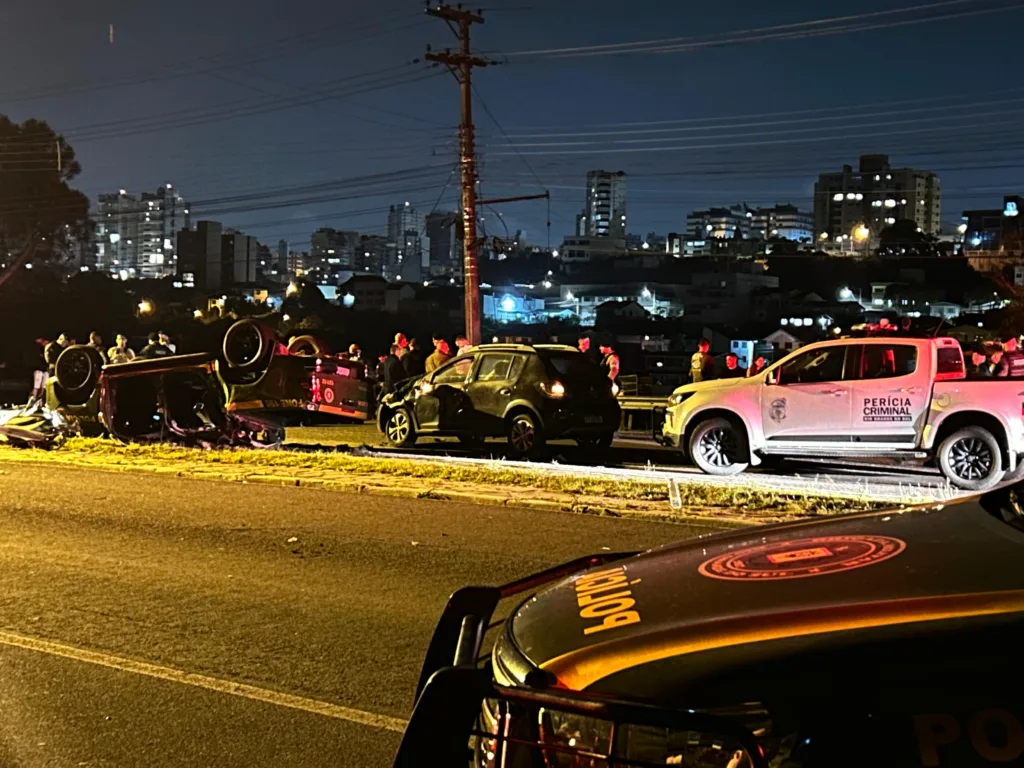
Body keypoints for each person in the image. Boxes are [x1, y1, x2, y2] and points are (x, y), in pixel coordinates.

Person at [26, 338, 49, 408]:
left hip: (45, 370)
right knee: (36, 385)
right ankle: (33, 399)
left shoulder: (47, 350)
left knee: (44, 386)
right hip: (38, 369)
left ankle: (41, 400)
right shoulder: (36, 349)